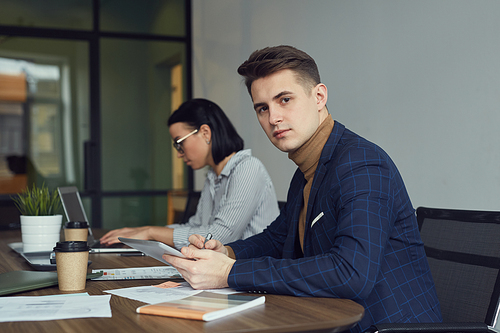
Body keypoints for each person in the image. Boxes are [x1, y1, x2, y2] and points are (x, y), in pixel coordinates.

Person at [163, 46, 442, 332]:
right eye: (263, 108)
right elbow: (276, 238)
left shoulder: (362, 165)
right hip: (326, 318)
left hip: (384, 325)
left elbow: (351, 272)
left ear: (319, 96)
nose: (273, 118)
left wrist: (230, 273)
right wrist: (228, 253)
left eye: (284, 99)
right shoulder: (307, 171)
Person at [100, 98, 279, 249]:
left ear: (205, 132)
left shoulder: (248, 168)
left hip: (253, 278)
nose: (179, 153)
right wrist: (139, 232)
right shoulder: (213, 177)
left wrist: (150, 232)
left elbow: (219, 237)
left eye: (179, 143)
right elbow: (195, 227)